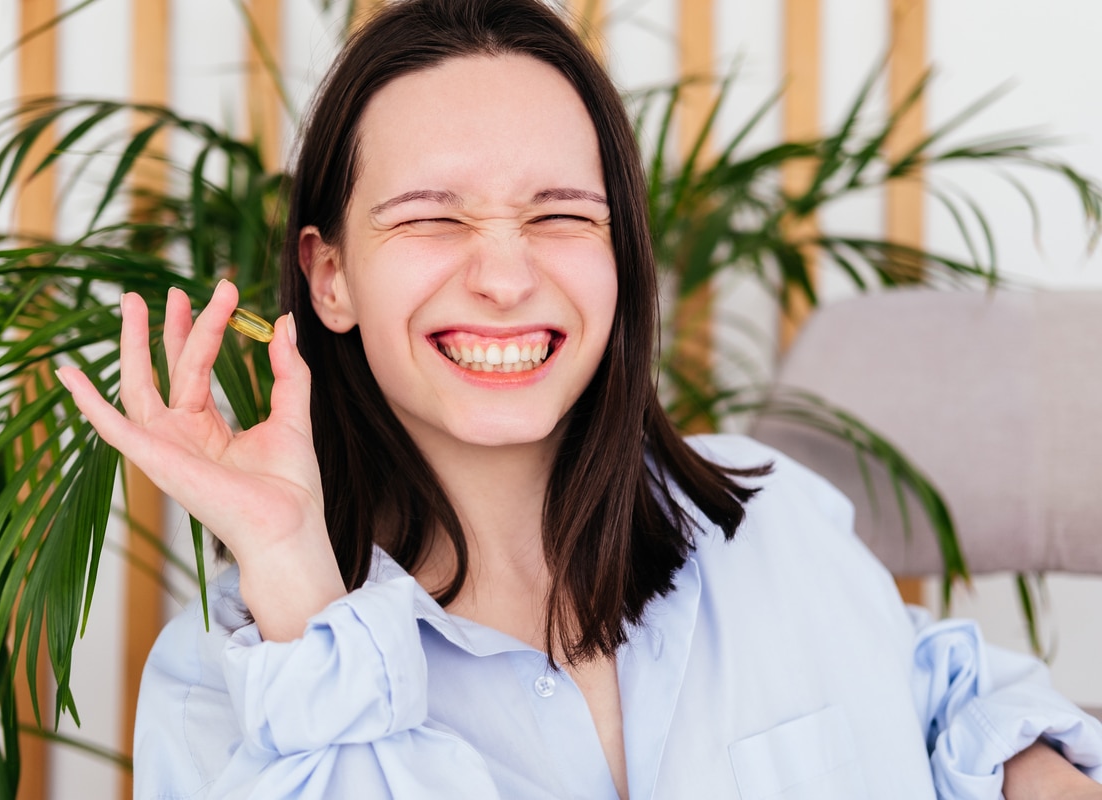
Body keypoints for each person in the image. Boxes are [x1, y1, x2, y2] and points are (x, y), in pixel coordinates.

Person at [54, 0, 1102, 796]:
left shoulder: (773, 513)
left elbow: (947, 692)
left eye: (561, 215)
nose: (506, 277)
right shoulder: (221, 680)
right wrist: (294, 577)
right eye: (432, 219)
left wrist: (1035, 765)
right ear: (330, 277)